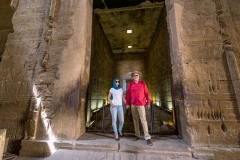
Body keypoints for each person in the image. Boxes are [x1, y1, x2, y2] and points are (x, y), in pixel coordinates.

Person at [126, 71, 153, 146]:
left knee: (143, 120)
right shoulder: (131, 84)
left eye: (137, 75)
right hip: (133, 104)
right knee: (135, 120)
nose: (135, 76)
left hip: (141, 104)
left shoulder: (143, 83)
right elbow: (128, 94)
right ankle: (137, 134)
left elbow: (147, 93)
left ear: (139, 76)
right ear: (133, 77)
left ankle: (147, 137)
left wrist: (148, 103)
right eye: (134, 75)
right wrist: (127, 103)